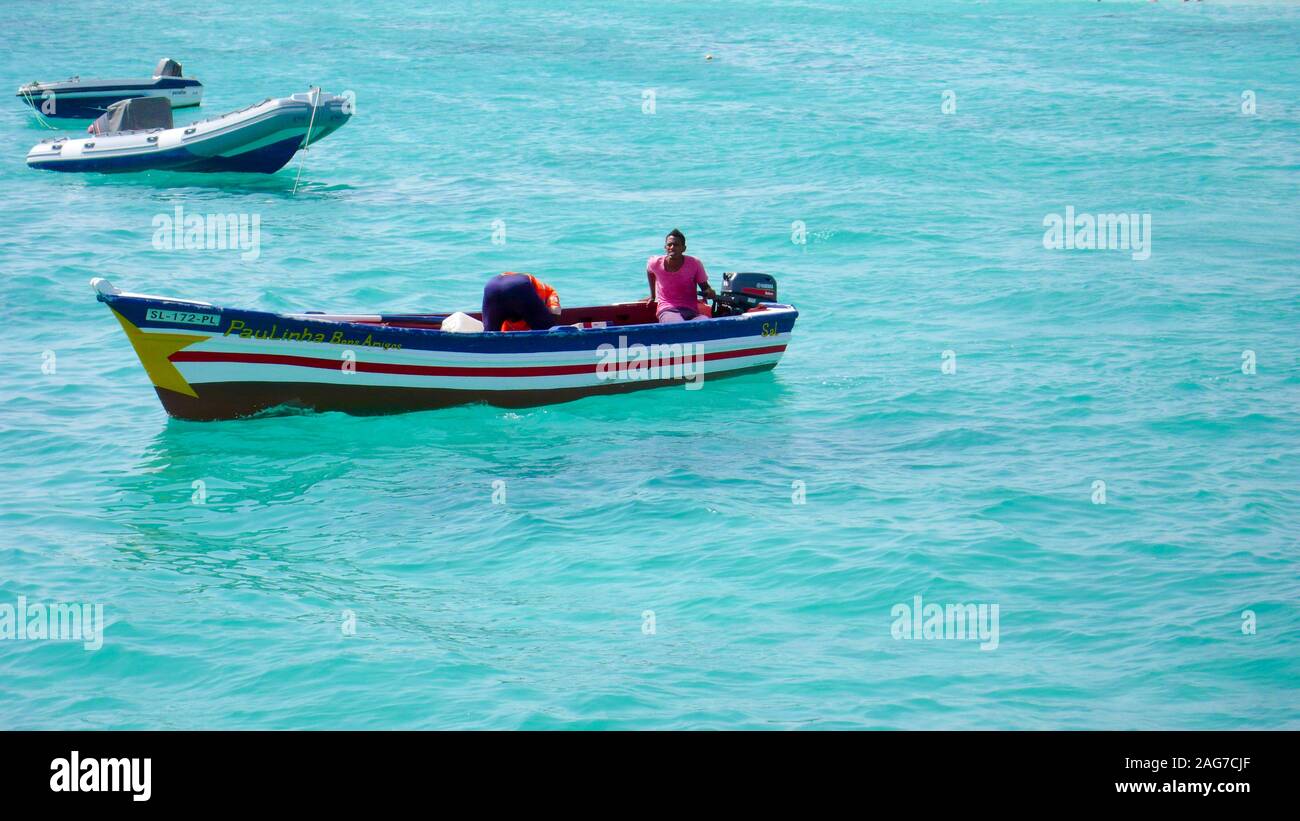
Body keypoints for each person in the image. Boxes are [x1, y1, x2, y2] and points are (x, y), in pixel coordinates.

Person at [646, 229, 716, 322]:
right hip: (667, 309)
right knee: (678, 323)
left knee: (706, 322)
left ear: (683, 248)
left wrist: (710, 292)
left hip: (691, 310)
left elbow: (705, 287)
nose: (672, 247)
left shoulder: (694, 263)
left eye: (676, 245)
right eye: (669, 245)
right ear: (665, 247)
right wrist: (653, 296)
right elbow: (649, 271)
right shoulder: (655, 263)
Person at [481, 271, 561, 332]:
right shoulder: (550, 292)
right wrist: (550, 324)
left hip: (491, 286)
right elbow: (555, 311)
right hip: (519, 286)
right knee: (547, 329)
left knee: (490, 333)